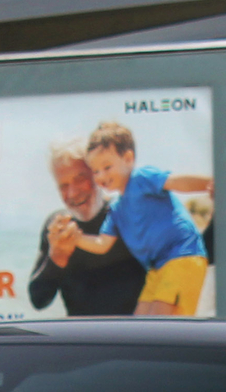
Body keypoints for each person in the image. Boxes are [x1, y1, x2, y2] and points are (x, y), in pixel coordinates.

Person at [69, 120, 213, 317]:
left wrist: (213, 183)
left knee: (162, 325)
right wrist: (75, 238)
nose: (101, 175)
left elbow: (178, 183)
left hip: (183, 255)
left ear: (128, 158)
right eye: (95, 171)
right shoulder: (117, 208)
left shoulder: (141, 178)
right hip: (157, 269)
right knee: (140, 325)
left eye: (107, 167)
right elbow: (102, 243)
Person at [28, 140, 147, 318]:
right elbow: (39, 300)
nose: (73, 193)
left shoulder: (126, 214)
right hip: (83, 340)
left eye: (80, 179)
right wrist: (57, 257)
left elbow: (189, 256)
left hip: (132, 337)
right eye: (64, 186)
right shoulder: (58, 228)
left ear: (97, 176)